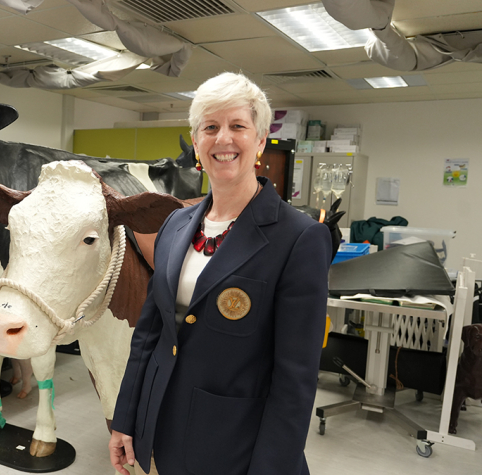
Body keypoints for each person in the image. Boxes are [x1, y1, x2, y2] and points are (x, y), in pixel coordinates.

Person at [108, 72, 332, 475]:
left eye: (237, 126)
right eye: (210, 127)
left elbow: (295, 379)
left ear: (260, 140)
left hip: (237, 447)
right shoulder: (174, 225)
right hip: (161, 431)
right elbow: (149, 334)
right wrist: (125, 419)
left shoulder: (299, 238)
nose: (222, 139)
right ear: (196, 142)